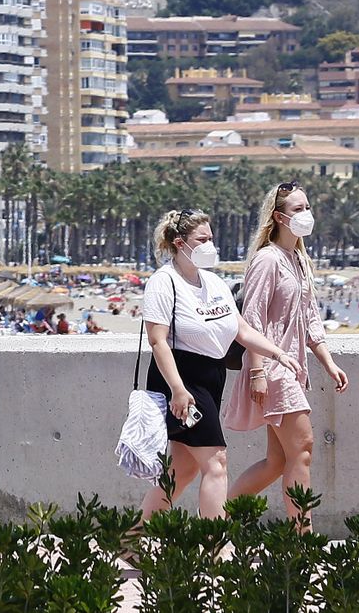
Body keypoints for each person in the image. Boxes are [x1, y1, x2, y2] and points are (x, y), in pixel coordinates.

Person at [138, 208, 301, 520]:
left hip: (212, 375)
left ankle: (133, 535)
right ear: (179, 242)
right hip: (181, 376)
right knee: (216, 462)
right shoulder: (163, 282)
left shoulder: (214, 282)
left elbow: (242, 330)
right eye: (202, 239)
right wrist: (178, 390)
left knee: (183, 468)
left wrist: (277, 353)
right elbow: (157, 341)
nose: (209, 245)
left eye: (210, 238)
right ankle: (216, 540)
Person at [224, 182, 350, 520]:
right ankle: (301, 537)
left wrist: (328, 363)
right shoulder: (267, 260)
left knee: (278, 460)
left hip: (292, 368)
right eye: (297, 209)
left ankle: (215, 519)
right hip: (273, 369)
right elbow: (251, 320)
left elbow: (310, 320)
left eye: (307, 207)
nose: (306, 214)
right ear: (279, 217)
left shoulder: (298, 260)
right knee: (302, 449)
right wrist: (257, 372)